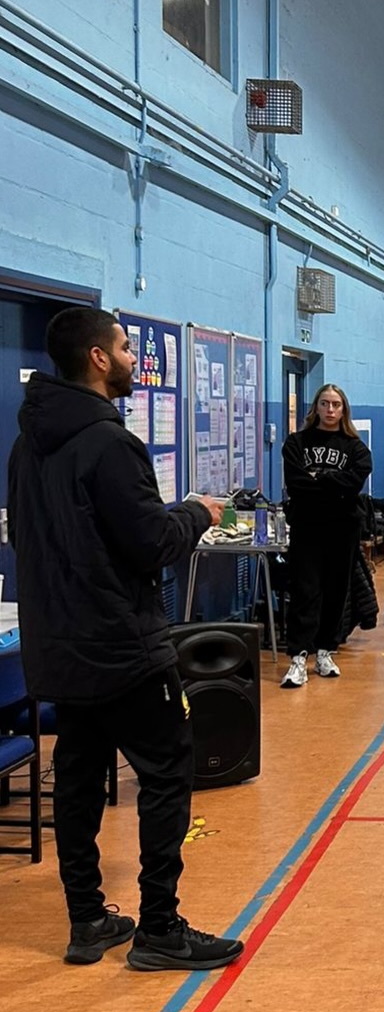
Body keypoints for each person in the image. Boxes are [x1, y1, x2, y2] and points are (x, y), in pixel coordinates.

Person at [7, 306, 242, 971]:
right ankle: (160, 930)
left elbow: (29, 539)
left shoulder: (28, 444)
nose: (137, 359)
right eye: (127, 348)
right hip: (122, 647)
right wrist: (197, 511)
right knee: (169, 770)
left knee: (79, 776)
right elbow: (154, 545)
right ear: (98, 359)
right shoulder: (111, 444)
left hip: (57, 646)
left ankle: (87, 920)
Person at [281, 384, 373, 688]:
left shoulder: (356, 448)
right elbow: (296, 484)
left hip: (342, 529)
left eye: (336, 404)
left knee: (336, 591)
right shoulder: (296, 443)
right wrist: (333, 486)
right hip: (307, 527)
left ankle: (325, 651)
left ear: (343, 409)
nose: (330, 410)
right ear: (316, 408)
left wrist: (319, 480)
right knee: (305, 591)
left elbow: (353, 483)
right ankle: (298, 658)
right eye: (325, 403)